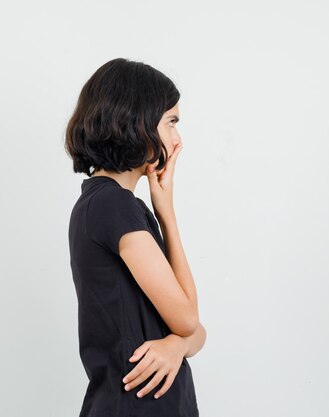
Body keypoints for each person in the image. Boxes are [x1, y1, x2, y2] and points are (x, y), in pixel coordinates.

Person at [64, 58, 205, 417]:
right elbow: (188, 320)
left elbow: (196, 333)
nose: (177, 139)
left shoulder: (118, 206)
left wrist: (175, 345)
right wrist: (168, 213)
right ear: (136, 122)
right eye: (171, 122)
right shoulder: (113, 206)